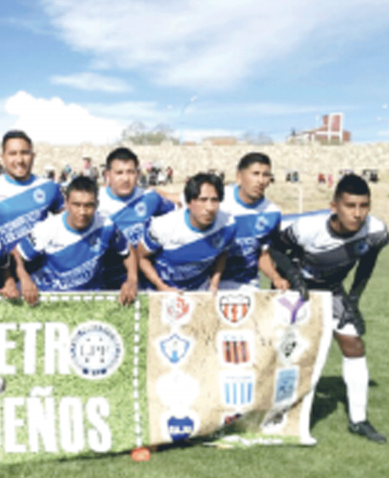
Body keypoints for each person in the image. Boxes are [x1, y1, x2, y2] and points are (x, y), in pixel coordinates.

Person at [270, 174, 388, 443]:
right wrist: (293, 277)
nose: (358, 214)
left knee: (353, 344)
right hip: (294, 289)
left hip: (331, 290)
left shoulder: (377, 231)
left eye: (363, 206)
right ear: (334, 206)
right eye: (350, 206)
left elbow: (366, 266)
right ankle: (273, 412)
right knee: (285, 348)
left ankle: (358, 420)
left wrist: (354, 301)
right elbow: (274, 249)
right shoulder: (307, 227)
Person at [13, 176, 137, 306]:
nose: (82, 212)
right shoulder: (47, 228)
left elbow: (127, 251)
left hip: (90, 301)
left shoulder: (107, 226)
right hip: (51, 301)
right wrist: (24, 278)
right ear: (66, 203)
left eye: (88, 205)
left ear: (97, 204)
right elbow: (17, 254)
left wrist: (132, 280)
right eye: (76, 205)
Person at [138, 173, 236, 292]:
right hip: (160, 291)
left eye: (214, 200)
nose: (209, 207)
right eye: (203, 200)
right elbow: (141, 257)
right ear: (189, 202)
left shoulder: (228, 224)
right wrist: (161, 286)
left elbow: (222, 253)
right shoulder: (163, 226)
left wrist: (214, 283)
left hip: (198, 291)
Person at [97, 147, 176, 289]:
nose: (125, 178)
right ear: (107, 174)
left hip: (146, 276)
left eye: (130, 172)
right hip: (109, 277)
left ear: (138, 174)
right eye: (119, 173)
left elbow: (179, 213)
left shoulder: (150, 198)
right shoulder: (95, 202)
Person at [0, 130, 64, 253]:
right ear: (3, 158)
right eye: (12, 154)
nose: (19, 160)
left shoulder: (49, 187)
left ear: (33, 156)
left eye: (25, 153)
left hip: (37, 267)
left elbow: (66, 223)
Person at [219, 152, 288, 290]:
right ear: (239, 176)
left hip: (247, 284)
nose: (261, 180)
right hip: (211, 284)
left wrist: (276, 278)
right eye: (255, 174)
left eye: (266, 175)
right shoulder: (218, 200)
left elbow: (263, 253)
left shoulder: (272, 213)